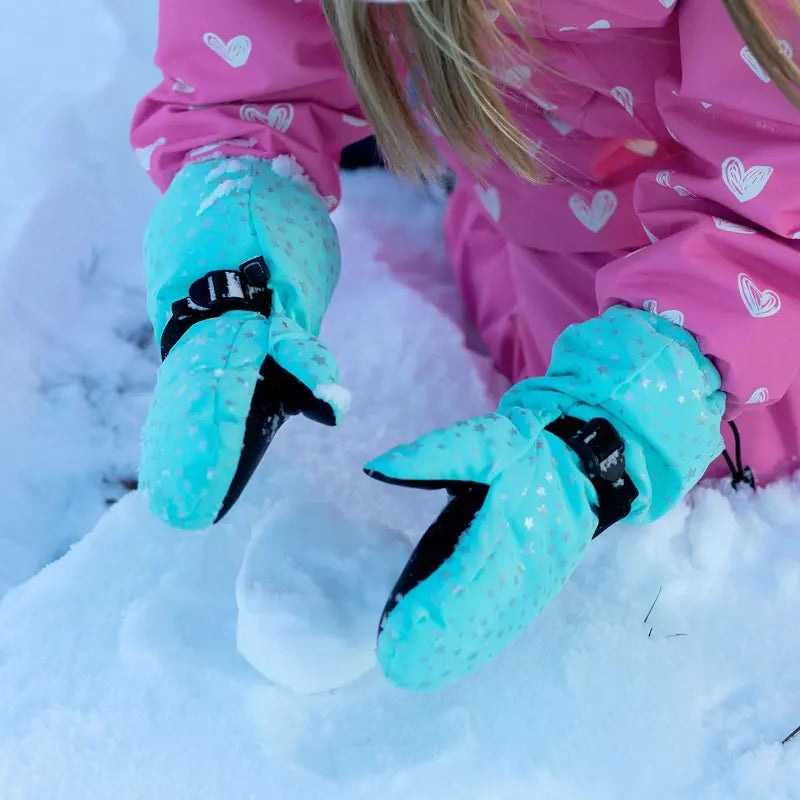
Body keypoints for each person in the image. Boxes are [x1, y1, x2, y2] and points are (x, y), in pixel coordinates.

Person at [131, 1, 800, 690]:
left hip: (727, 204)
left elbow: (776, 199)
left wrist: (601, 436)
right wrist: (232, 253)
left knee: (724, 447)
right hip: (532, 162)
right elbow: (245, 51)